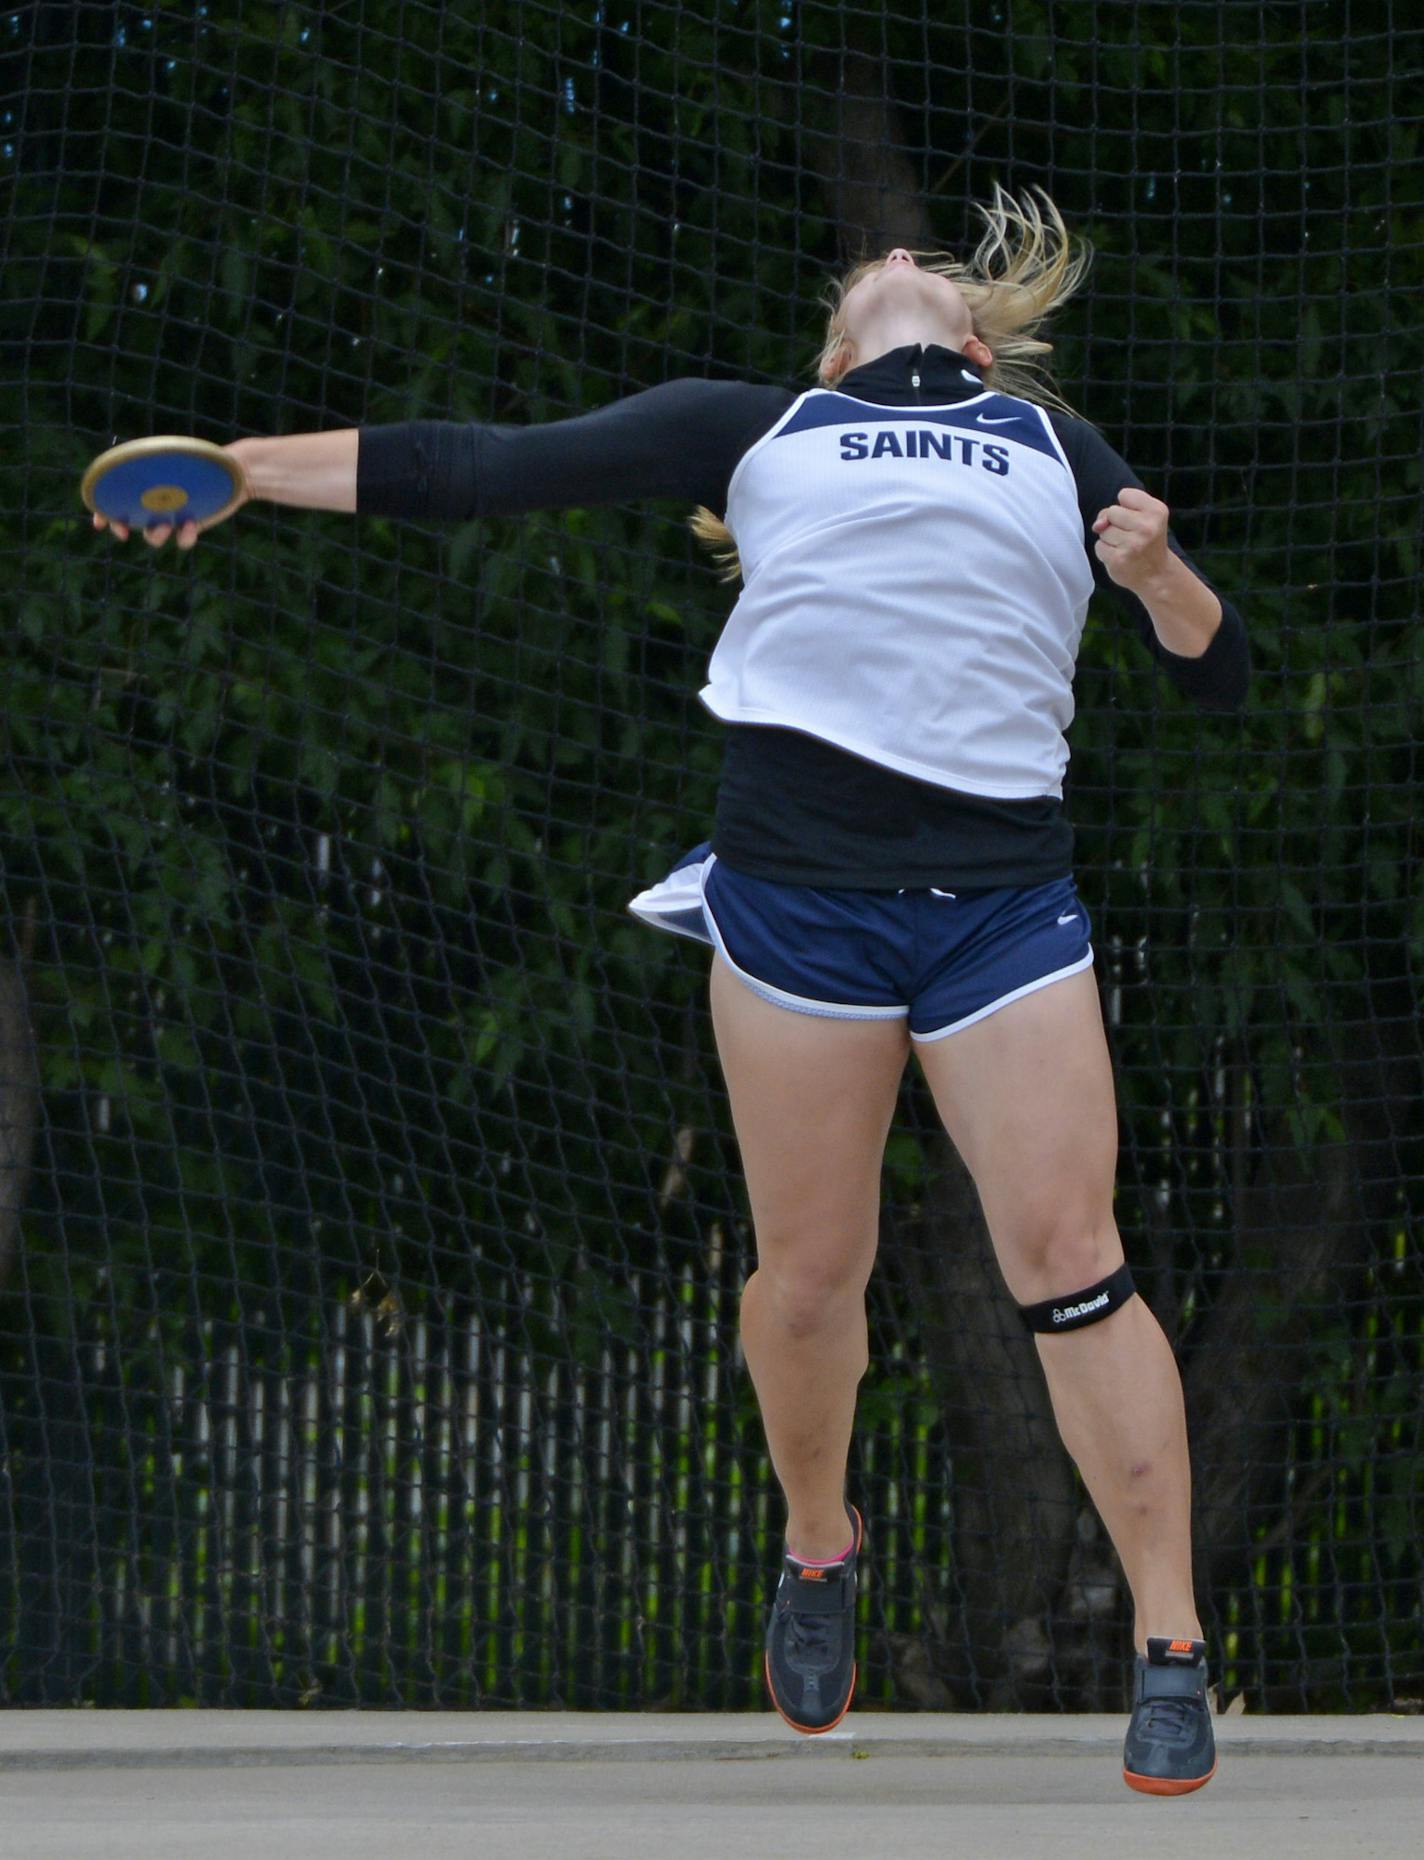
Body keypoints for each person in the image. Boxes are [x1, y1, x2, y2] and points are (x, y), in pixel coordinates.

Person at [94, 187, 1246, 1794]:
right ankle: (818, 1540)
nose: (896, 259)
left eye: (913, 265)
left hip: (1001, 915)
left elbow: (1219, 667)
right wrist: (238, 475)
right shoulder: (760, 425)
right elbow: (480, 466)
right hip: (798, 914)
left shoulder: (1057, 449)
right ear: (845, 342)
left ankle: (1172, 1645)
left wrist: (1162, 574)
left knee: (1072, 1261)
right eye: (870, 273)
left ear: (974, 343)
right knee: (807, 1282)